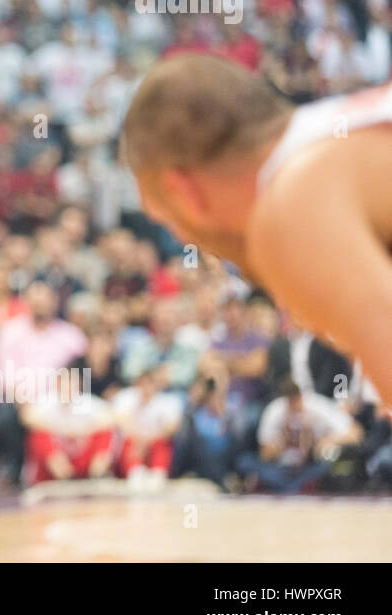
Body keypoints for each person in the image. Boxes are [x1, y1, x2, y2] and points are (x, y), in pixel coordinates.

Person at [120, 53, 392, 411]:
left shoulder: (289, 208)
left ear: (183, 194)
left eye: (167, 219)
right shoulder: (337, 132)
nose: (186, 243)